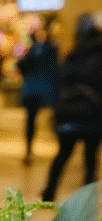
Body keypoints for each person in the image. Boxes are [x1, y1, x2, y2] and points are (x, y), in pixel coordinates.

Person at [42, 14, 102, 202]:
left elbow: (59, 80)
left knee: (63, 153)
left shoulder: (73, 53)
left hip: (69, 113)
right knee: (90, 156)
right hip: (93, 113)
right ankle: (86, 198)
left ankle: (49, 192)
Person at [18, 26, 60, 165]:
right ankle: (30, 150)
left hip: (37, 90)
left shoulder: (40, 51)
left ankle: (31, 151)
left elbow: (21, 66)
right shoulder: (48, 50)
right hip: (41, 90)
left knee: (34, 121)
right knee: (33, 121)